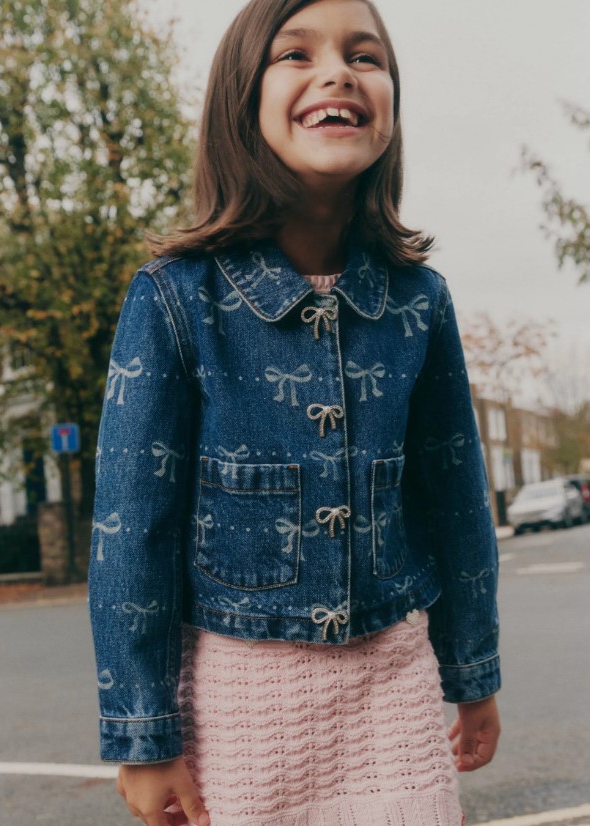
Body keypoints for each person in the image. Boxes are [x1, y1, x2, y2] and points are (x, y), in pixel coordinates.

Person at [88, 0, 501, 823]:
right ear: (241, 101)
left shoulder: (420, 302)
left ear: (388, 106)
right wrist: (145, 736)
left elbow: (455, 502)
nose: (337, 71)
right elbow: (132, 530)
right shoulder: (174, 298)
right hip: (241, 700)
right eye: (294, 54)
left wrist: (473, 674)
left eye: (365, 55)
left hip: (393, 681)